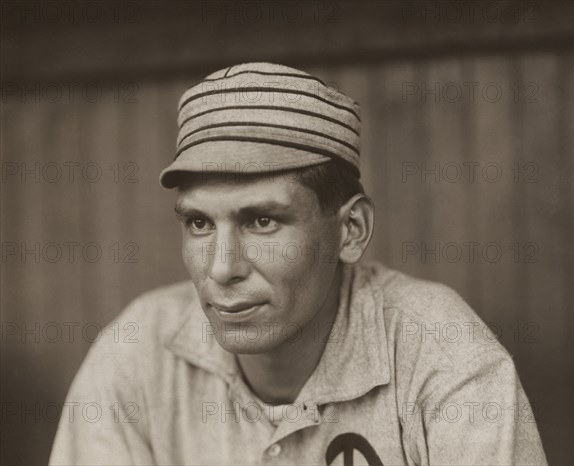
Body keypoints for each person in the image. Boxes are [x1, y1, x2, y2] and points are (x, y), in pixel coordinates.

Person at [50, 63, 547, 465]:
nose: (222, 269)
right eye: (199, 224)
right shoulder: (139, 348)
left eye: (262, 221)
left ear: (350, 230)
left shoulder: (442, 351)